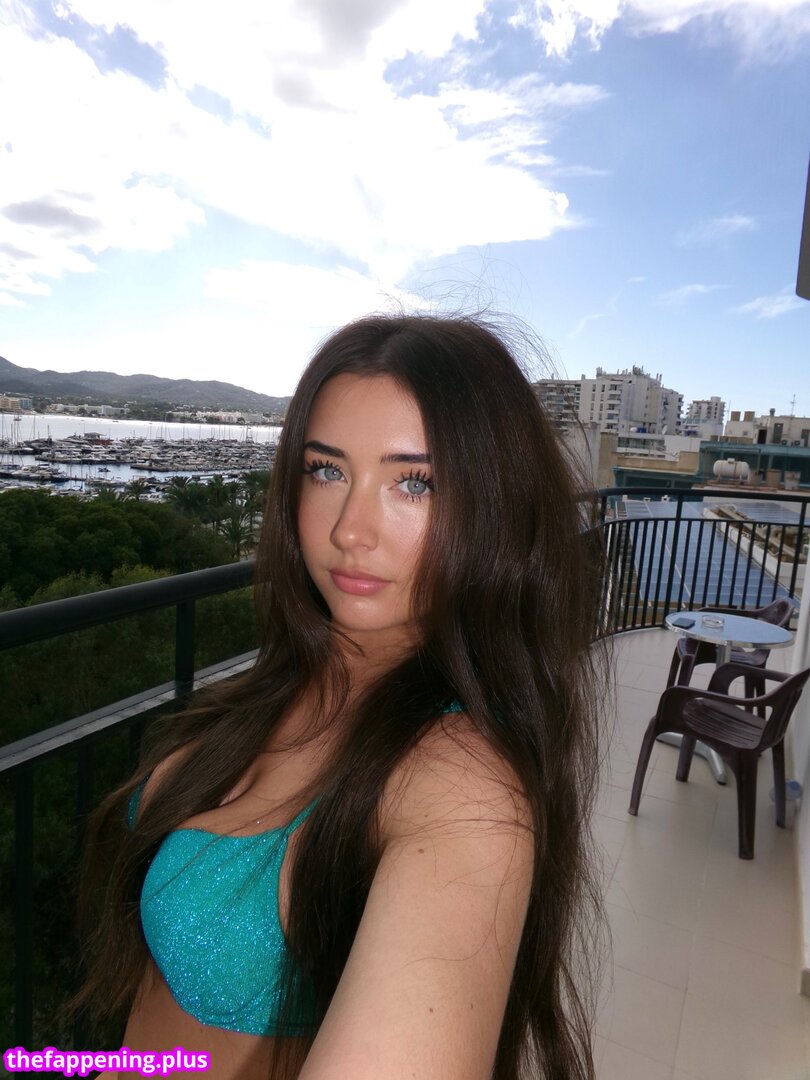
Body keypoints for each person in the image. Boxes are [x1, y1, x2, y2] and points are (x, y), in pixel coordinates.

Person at [76, 314, 605, 1080]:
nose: (351, 530)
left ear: (498, 508)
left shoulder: (463, 787)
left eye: (415, 483)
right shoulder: (289, 678)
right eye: (326, 471)